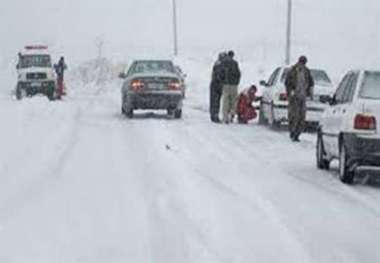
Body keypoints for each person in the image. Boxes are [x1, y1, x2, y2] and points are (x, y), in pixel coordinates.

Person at [285, 56, 314, 142]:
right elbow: (287, 83)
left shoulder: (307, 71)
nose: (302, 65)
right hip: (294, 97)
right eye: (301, 63)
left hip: (303, 97)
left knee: (302, 116)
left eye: (303, 63)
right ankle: (292, 132)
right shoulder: (292, 71)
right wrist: (290, 91)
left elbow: (311, 83)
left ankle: (297, 134)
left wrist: (310, 93)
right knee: (294, 115)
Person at [220, 50, 241, 124]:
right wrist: (237, 82)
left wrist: (222, 81)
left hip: (226, 85)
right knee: (234, 101)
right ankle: (232, 114)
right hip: (234, 85)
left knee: (226, 101)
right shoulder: (235, 63)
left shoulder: (223, 62)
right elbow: (238, 74)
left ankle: (225, 117)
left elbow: (221, 73)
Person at [209, 52, 226, 123]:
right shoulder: (220, 64)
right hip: (217, 84)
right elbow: (219, 75)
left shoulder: (217, 63)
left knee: (214, 101)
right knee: (216, 101)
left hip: (214, 84)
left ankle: (214, 115)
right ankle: (215, 115)